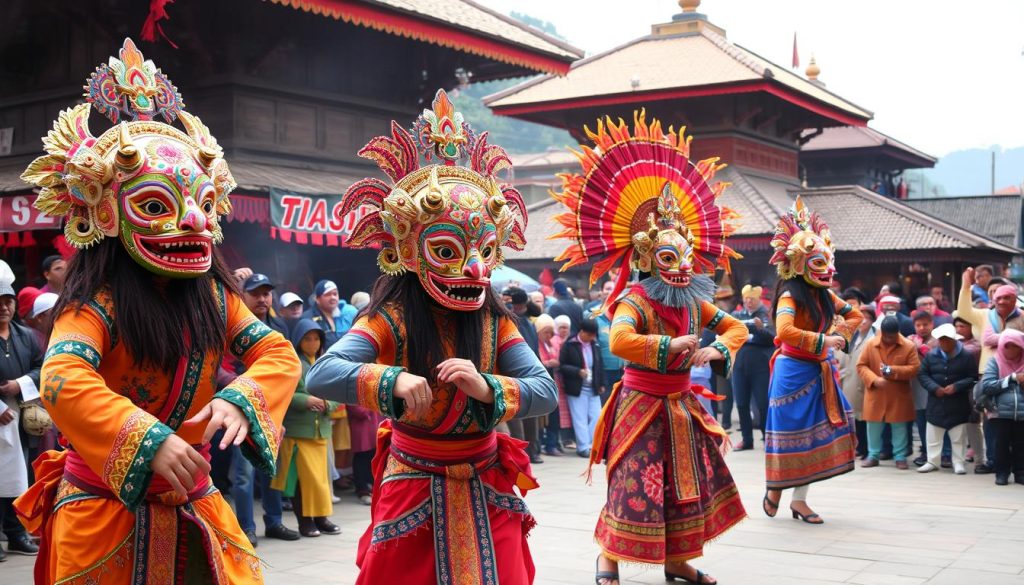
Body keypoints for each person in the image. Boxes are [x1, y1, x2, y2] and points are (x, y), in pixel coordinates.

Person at [14, 38, 300, 584]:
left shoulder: (217, 298)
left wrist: (245, 397)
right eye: (154, 205)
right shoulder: (96, 303)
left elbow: (276, 352)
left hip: (196, 501)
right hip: (103, 510)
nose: (193, 222)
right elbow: (62, 376)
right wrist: (147, 438)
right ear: (105, 213)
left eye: (204, 205)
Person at [303, 90, 556, 584]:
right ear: (409, 250)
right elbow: (323, 373)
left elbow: (543, 390)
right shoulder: (391, 317)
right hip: (413, 477)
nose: (474, 268)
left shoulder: (494, 321)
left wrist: (487, 388)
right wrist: (391, 379)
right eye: (447, 250)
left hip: (485, 477)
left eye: (484, 250)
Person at [550, 112, 747, 585]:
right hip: (640, 406)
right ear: (644, 258)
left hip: (680, 406)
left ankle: (677, 561)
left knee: (687, 489)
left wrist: (717, 349)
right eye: (667, 257)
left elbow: (736, 328)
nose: (680, 266)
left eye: (685, 255)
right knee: (633, 485)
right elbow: (617, 340)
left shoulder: (695, 301)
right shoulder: (634, 300)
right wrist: (671, 343)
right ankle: (607, 558)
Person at [763, 198, 862, 526]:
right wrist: (824, 339)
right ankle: (776, 486)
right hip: (792, 373)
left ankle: (800, 500)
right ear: (798, 264)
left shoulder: (825, 295)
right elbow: (784, 330)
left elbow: (856, 314)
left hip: (821, 372)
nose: (828, 270)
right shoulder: (790, 295)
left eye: (829, 262)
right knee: (789, 435)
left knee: (818, 436)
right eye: (819, 263)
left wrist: (841, 335)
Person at [228, 273, 300, 546]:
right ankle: (246, 528)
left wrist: (280, 412)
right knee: (243, 474)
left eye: (266, 293)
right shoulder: (232, 324)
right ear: (242, 296)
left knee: (270, 469)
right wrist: (236, 393)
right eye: (256, 293)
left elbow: (287, 371)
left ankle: (274, 522)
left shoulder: (279, 325)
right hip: (241, 410)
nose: (262, 298)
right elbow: (222, 369)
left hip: (272, 411)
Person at [272, 319, 342, 536]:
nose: (312, 342)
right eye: (307, 338)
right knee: (301, 481)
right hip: (298, 433)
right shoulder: (292, 364)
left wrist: (327, 404)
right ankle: (305, 521)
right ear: (298, 341)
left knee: (321, 481)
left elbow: (339, 392)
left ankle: (322, 519)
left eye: (316, 338)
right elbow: (281, 392)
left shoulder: (326, 363)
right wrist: (306, 400)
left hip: (320, 432)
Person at [959, 269, 1023, 474]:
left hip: (1020, 374)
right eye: (997, 296)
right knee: (990, 420)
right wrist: (965, 285)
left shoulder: (1022, 317)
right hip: (990, 373)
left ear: (1014, 299)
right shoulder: (985, 316)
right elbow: (963, 311)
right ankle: (994, 461)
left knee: (1018, 422)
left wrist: (1000, 338)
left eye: (1006, 296)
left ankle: (1016, 464)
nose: (1001, 300)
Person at [0, 262, 43, 561]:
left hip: (19, 418)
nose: (3, 308)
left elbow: (44, 368)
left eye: (8, 301)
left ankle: (16, 535)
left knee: (19, 480)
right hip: (2, 414)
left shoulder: (26, 335)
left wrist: (21, 384)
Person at [857, 317, 921, 470]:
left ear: (897, 333)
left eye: (891, 336)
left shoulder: (908, 346)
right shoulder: (871, 344)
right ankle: (873, 455)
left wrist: (892, 370)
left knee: (899, 426)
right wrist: (874, 379)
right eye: (885, 336)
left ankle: (900, 456)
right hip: (876, 392)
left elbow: (914, 368)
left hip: (898, 393)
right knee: (873, 425)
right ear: (882, 333)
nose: (888, 339)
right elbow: (861, 366)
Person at [916, 324, 977, 474]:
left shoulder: (966, 356)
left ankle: (958, 462)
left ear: (954, 340)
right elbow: (923, 375)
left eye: (947, 340)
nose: (944, 343)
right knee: (933, 437)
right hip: (936, 401)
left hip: (958, 403)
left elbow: (973, 378)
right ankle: (932, 461)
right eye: (941, 340)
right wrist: (934, 388)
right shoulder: (931, 356)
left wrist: (957, 386)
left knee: (958, 437)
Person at [730, 284, 775, 450]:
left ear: (758, 300)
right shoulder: (736, 315)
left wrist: (759, 329)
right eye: (746, 299)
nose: (749, 302)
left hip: (760, 367)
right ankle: (747, 439)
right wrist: (751, 334)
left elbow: (772, 338)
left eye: (752, 299)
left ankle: (766, 437)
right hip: (740, 366)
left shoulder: (766, 315)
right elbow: (728, 333)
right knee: (741, 403)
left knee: (763, 404)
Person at [503, 286, 545, 464]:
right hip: (531, 372)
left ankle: (521, 453)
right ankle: (532, 452)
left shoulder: (513, 321)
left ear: (514, 303)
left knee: (517, 414)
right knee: (530, 414)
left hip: (516, 373)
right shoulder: (530, 321)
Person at [980, 329, 1024, 485]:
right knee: (1001, 444)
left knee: (1021, 444)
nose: (1010, 350)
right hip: (1000, 411)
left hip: (1022, 412)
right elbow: (988, 386)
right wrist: (1012, 378)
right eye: (1007, 345)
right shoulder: (995, 361)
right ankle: (1002, 473)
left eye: (1015, 346)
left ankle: (1020, 473)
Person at [558, 318, 605, 457]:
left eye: (593, 335)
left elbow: (599, 365)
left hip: (593, 387)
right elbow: (562, 366)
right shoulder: (569, 345)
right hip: (576, 388)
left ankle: (592, 444)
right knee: (580, 419)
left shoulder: (594, 345)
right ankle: (583, 447)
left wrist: (601, 383)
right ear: (582, 332)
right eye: (589, 335)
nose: (591, 337)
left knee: (597, 417)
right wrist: (578, 371)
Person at [836, 306, 876, 459]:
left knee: (867, 417)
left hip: (865, 380)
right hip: (850, 381)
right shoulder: (853, 336)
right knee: (855, 416)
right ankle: (859, 447)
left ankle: (868, 450)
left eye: (867, 317)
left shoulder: (873, 338)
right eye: (861, 317)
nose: (863, 321)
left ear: (872, 320)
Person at [535, 314, 564, 456]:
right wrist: (547, 364)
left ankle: (551, 445)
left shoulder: (552, 344)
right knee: (541, 418)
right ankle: (539, 445)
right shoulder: (534, 344)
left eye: (551, 332)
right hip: (541, 384)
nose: (548, 335)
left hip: (553, 383)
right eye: (545, 332)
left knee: (554, 417)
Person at [304, 279, 358, 348]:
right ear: (317, 299)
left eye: (335, 294)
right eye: (327, 294)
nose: (333, 297)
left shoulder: (343, 313)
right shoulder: (308, 318)